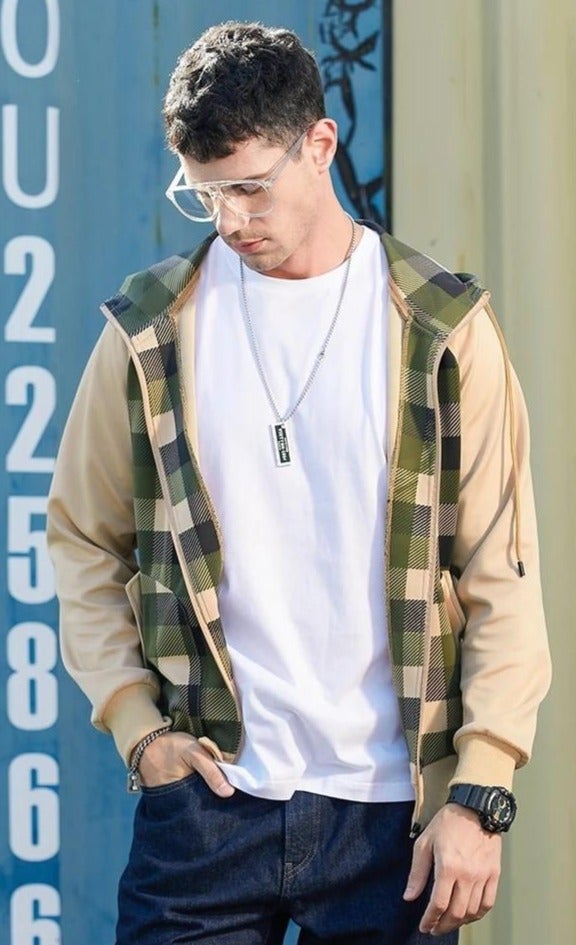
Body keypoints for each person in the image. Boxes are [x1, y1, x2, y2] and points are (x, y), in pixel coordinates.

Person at [47, 20, 551, 945]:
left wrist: (482, 787)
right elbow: (81, 537)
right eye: (204, 194)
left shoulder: (440, 329)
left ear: (320, 144)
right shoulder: (152, 330)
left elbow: (500, 571)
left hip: (393, 817)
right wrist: (138, 728)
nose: (231, 220)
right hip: (207, 803)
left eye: (249, 186)